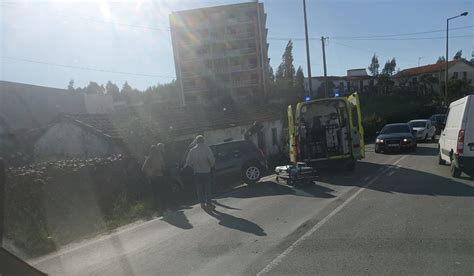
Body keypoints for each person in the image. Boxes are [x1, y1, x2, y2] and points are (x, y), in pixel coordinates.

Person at [185, 135, 216, 209]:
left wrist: (193, 166)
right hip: (206, 171)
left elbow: (188, 162)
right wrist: (211, 165)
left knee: (199, 189)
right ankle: (208, 203)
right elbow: (211, 159)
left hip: (197, 172)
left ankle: (202, 203)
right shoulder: (207, 148)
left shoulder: (192, 150)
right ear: (203, 140)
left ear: (196, 141)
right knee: (207, 188)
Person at [142, 143, 170, 213]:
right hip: (155, 178)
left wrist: (162, 170)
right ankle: (160, 209)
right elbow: (144, 168)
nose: (155, 152)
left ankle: (163, 208)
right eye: (154, 150)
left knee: (160, 193)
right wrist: (152, 171)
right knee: (158, 193)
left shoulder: (157, 157)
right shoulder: (150, 158)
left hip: (159, 177)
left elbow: (163, 166)